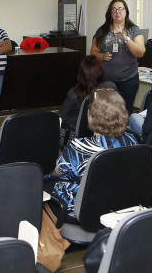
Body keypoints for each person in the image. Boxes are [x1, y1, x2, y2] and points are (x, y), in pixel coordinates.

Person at [45, 89, 139, 218]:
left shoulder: (79, 147)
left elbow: (58, 172)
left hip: (82, 210)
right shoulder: (132, 140)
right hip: (120, 205)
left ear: (90, 115)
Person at [90, 0, 145, 113]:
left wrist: (126, 38)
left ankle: (125, 132)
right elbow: (93, 51)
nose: (117, 12)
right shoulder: (102, 31)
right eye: (114, 9)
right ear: (110, 13)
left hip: (128, 80)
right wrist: (102, 56)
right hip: (106, 81)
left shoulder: (134, 30)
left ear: (126, 12)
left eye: (120, 9)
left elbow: (140, 52)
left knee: (125, 113)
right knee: (105, 113)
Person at [58, 54, 116, 131]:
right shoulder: (110, 87)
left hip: (75, 133)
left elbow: (60, 117)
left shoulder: (75, 93)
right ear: (100, 71)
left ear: (81, 73)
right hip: (102, 130)